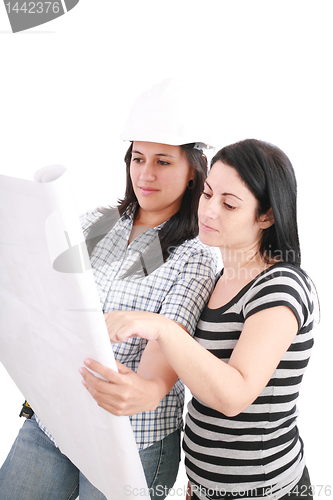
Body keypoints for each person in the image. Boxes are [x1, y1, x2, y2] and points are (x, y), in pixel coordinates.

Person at [0, 79, 217, 500]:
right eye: (137, 158)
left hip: (133, 436)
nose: (146, 174)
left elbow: (167, 348)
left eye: (163, 162)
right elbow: (40, 292)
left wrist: (148, 389)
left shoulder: (195, 257)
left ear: (195, 170)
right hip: (56, 416)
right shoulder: (97, 223)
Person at [87, 139, 317, 500]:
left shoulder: (281, 287)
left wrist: (160, 327)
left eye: (228, 204)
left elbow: (233, 396)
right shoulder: (219, 279)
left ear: (267, 215)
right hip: (206, 487)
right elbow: (202, 387)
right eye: (208, 194)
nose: (208, 211)